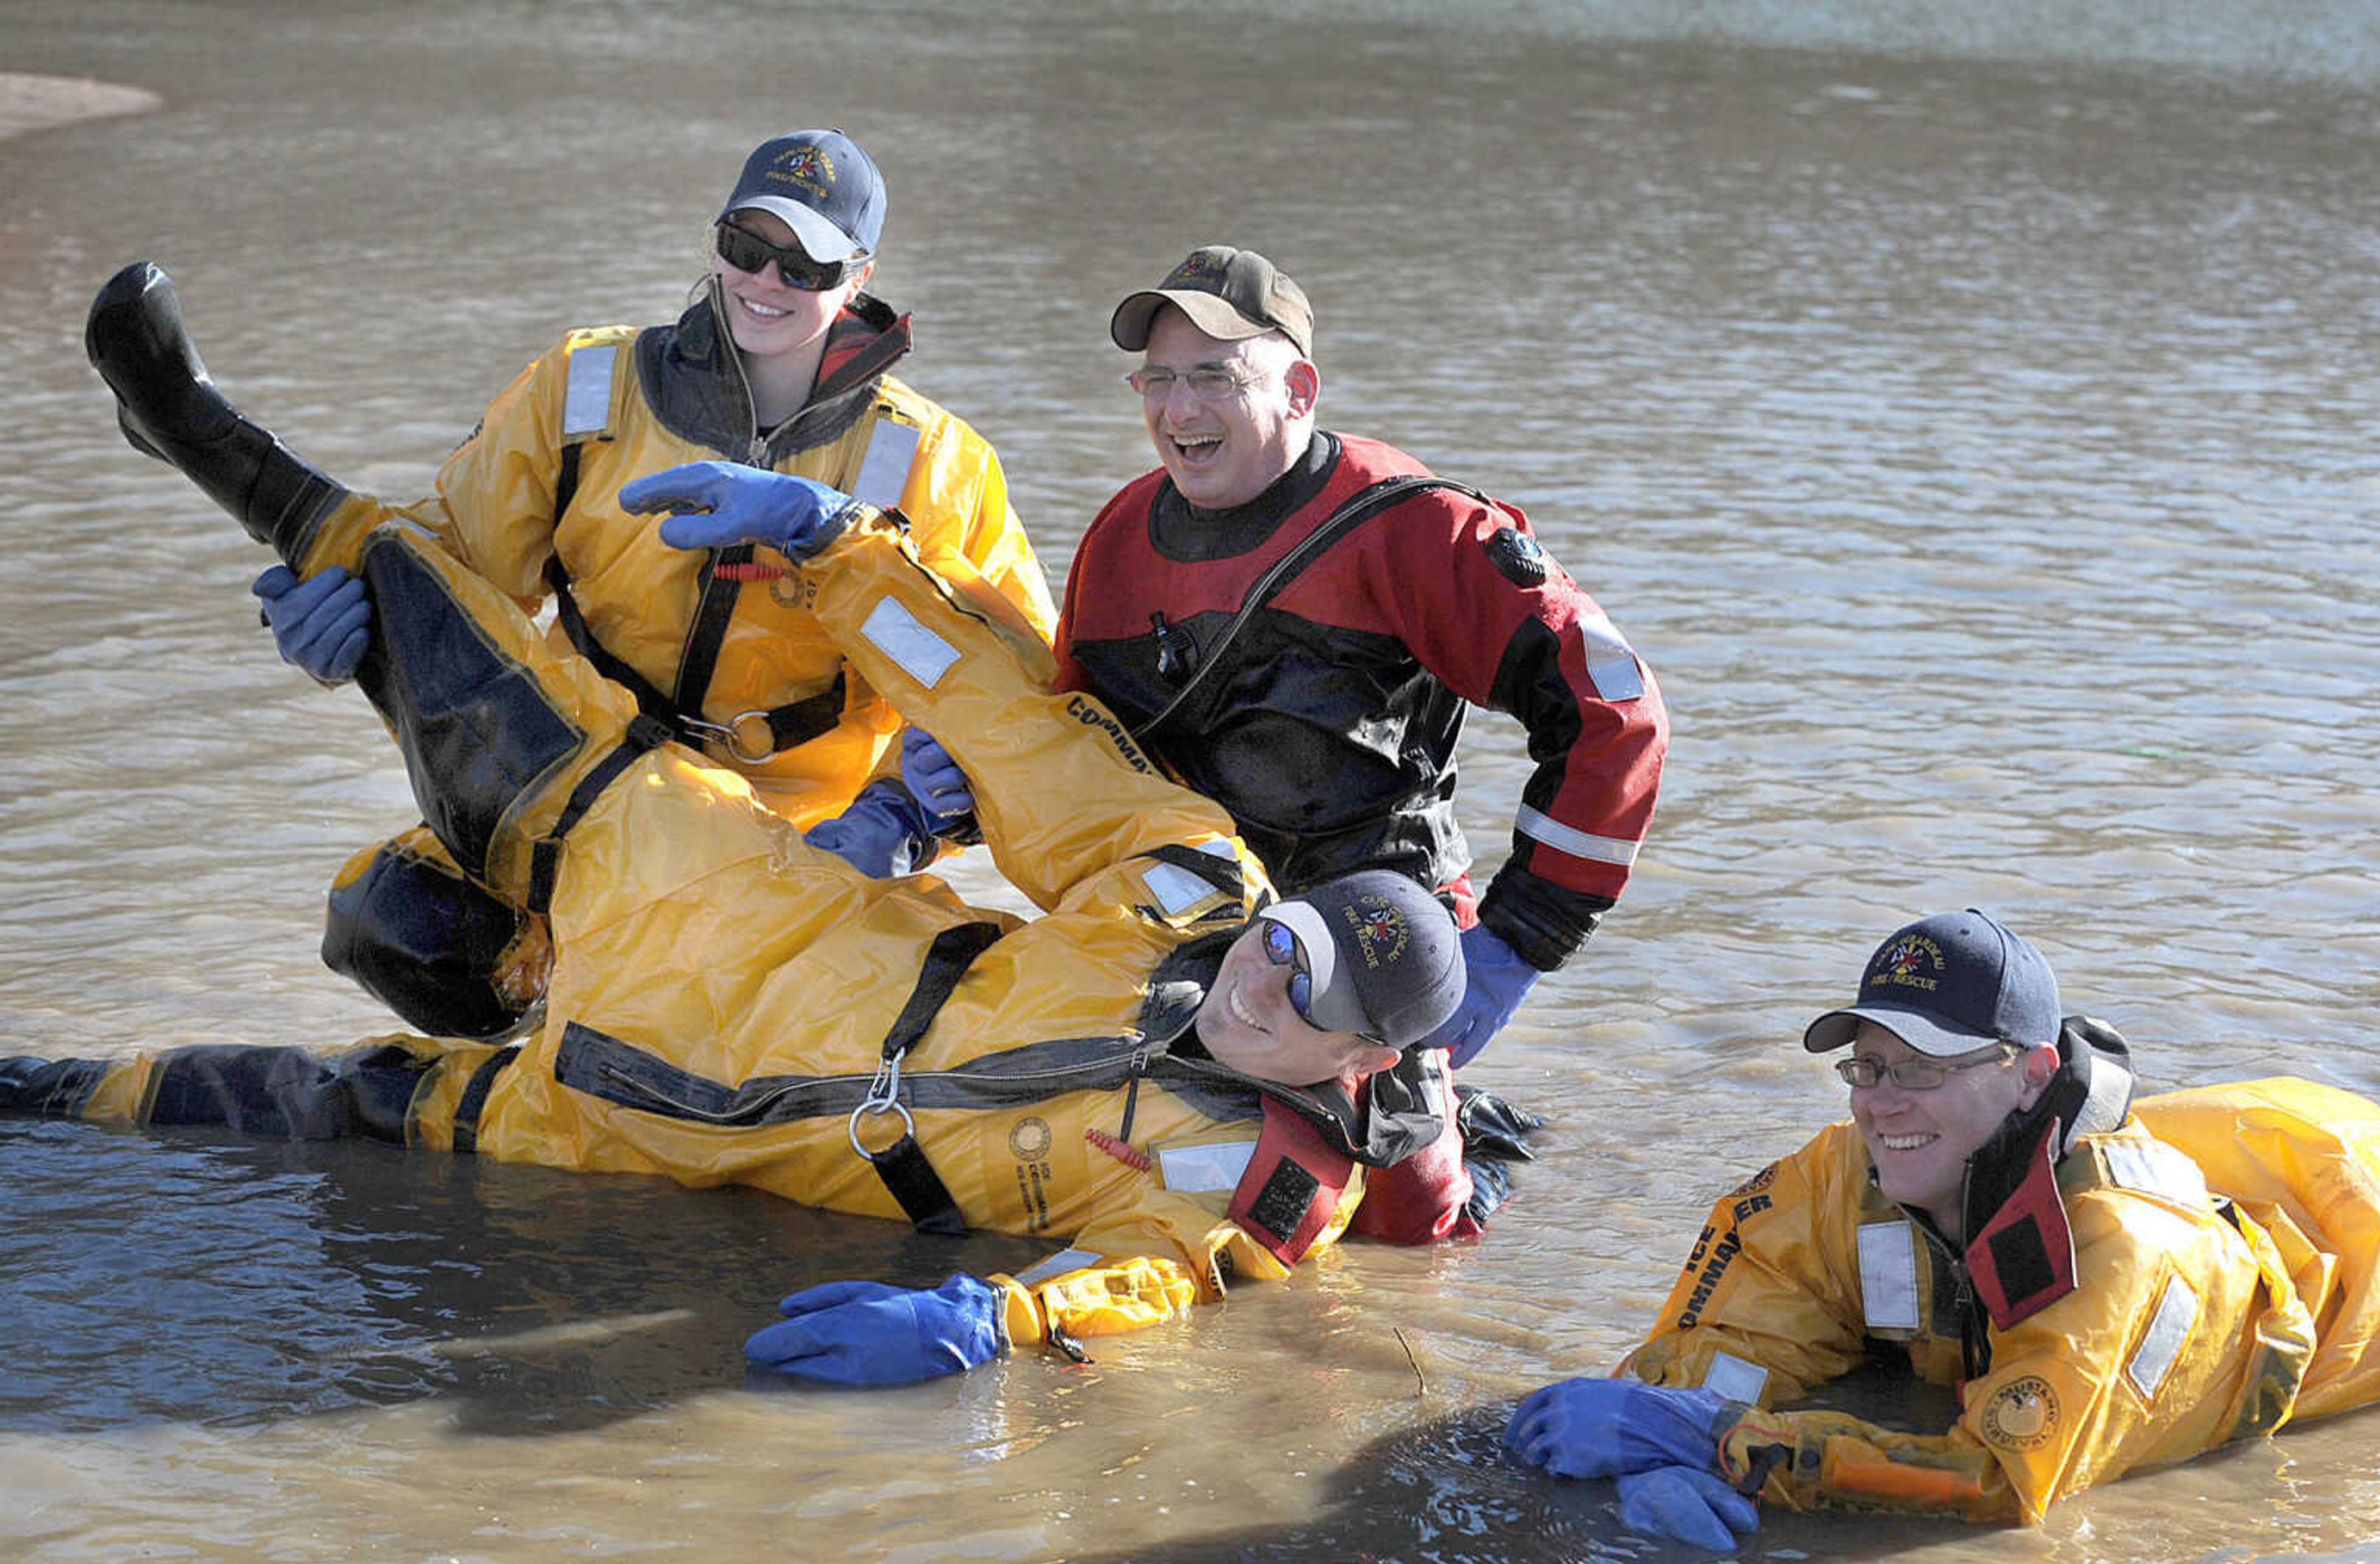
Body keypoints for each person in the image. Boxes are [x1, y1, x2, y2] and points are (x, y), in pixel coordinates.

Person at [2, 445, 1468, 1388]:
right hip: (733, 908)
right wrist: (836, 546)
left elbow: (1149, 1282)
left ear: (1354, 1068)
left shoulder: (1259, 1190)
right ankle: (199, 436)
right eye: (1292, 941)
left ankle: (40, 1086)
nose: (1267, 981)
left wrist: (992, 1323)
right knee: (468, 677)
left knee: (299, 1108)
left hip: (641, 1109)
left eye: (1309, 997)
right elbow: (998, 711)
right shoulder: (1195, 880)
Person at [85, 127, 1056, 1043]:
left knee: (879, 1017)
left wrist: (903, 820)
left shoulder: (935, 461)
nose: (765, 282)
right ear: (715, 243)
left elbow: (1015, 677)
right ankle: (205, 439)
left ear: (860, 281)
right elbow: (453, 561)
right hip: (581, 791)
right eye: (744, 245)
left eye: (803, 267)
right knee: (390, 923)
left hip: (800, 838)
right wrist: (332, 621)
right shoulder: (587, 388)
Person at [893, 247, 1670, 1244]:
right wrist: (964, 787)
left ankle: (1470, 1149)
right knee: (1034, 1137)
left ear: (1299, 388)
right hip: (1191, 918)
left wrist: (1521, 938)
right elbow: (1079, 748)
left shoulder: (1413, 529)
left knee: (1407, 1233)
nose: (1179, 412)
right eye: (1159, 380)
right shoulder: (1120, 534)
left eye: (1215, 377)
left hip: (1370, 940)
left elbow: (1616, 708)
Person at [1504, 909, 2380, 1547]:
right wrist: (1653, 1418)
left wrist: (1732, 1447)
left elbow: (2003, 1484)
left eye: (1924, 1068)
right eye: (1869, 1067)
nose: (1884, 1103)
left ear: (2027, 1071)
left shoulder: (2127, 1250)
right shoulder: (1850, 1170)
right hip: (2246, 1153)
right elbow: (1732, 1331)